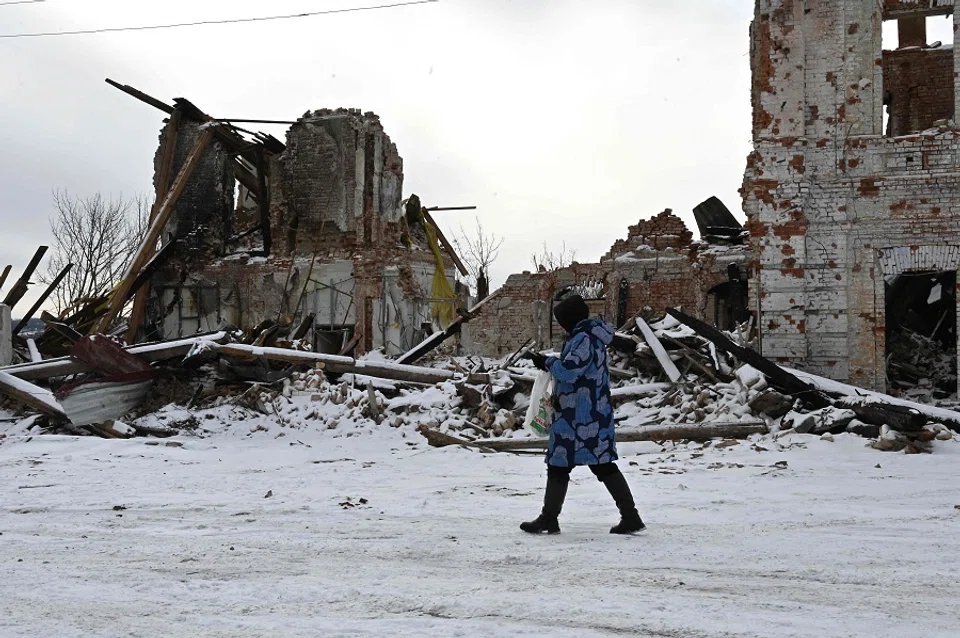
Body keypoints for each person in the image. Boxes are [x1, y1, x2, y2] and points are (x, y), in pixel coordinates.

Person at [521, 294, 645, 535]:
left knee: (586, 466)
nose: (561, 325)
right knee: (581, 465)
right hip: (584, 413)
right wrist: (549, 361)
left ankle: (629, 516)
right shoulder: (589, 335)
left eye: (562, 320)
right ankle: (552, 518)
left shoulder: (583, 338)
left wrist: (547, 363)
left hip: (581, 416)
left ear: (570, 319)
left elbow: (569, 373)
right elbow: (577, 366)